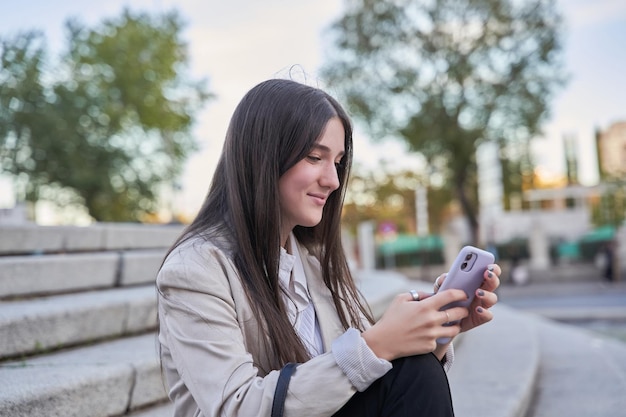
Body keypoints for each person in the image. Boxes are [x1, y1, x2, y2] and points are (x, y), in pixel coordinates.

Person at [156, 78, 501, 417]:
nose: (333, 180)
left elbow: (359, 384)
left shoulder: (313, 264)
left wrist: (436, 332)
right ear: (261, 158)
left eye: (336, 162)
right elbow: (238, 406)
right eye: (313, 157)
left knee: (417, 370)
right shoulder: (194, 270)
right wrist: (375, 345)